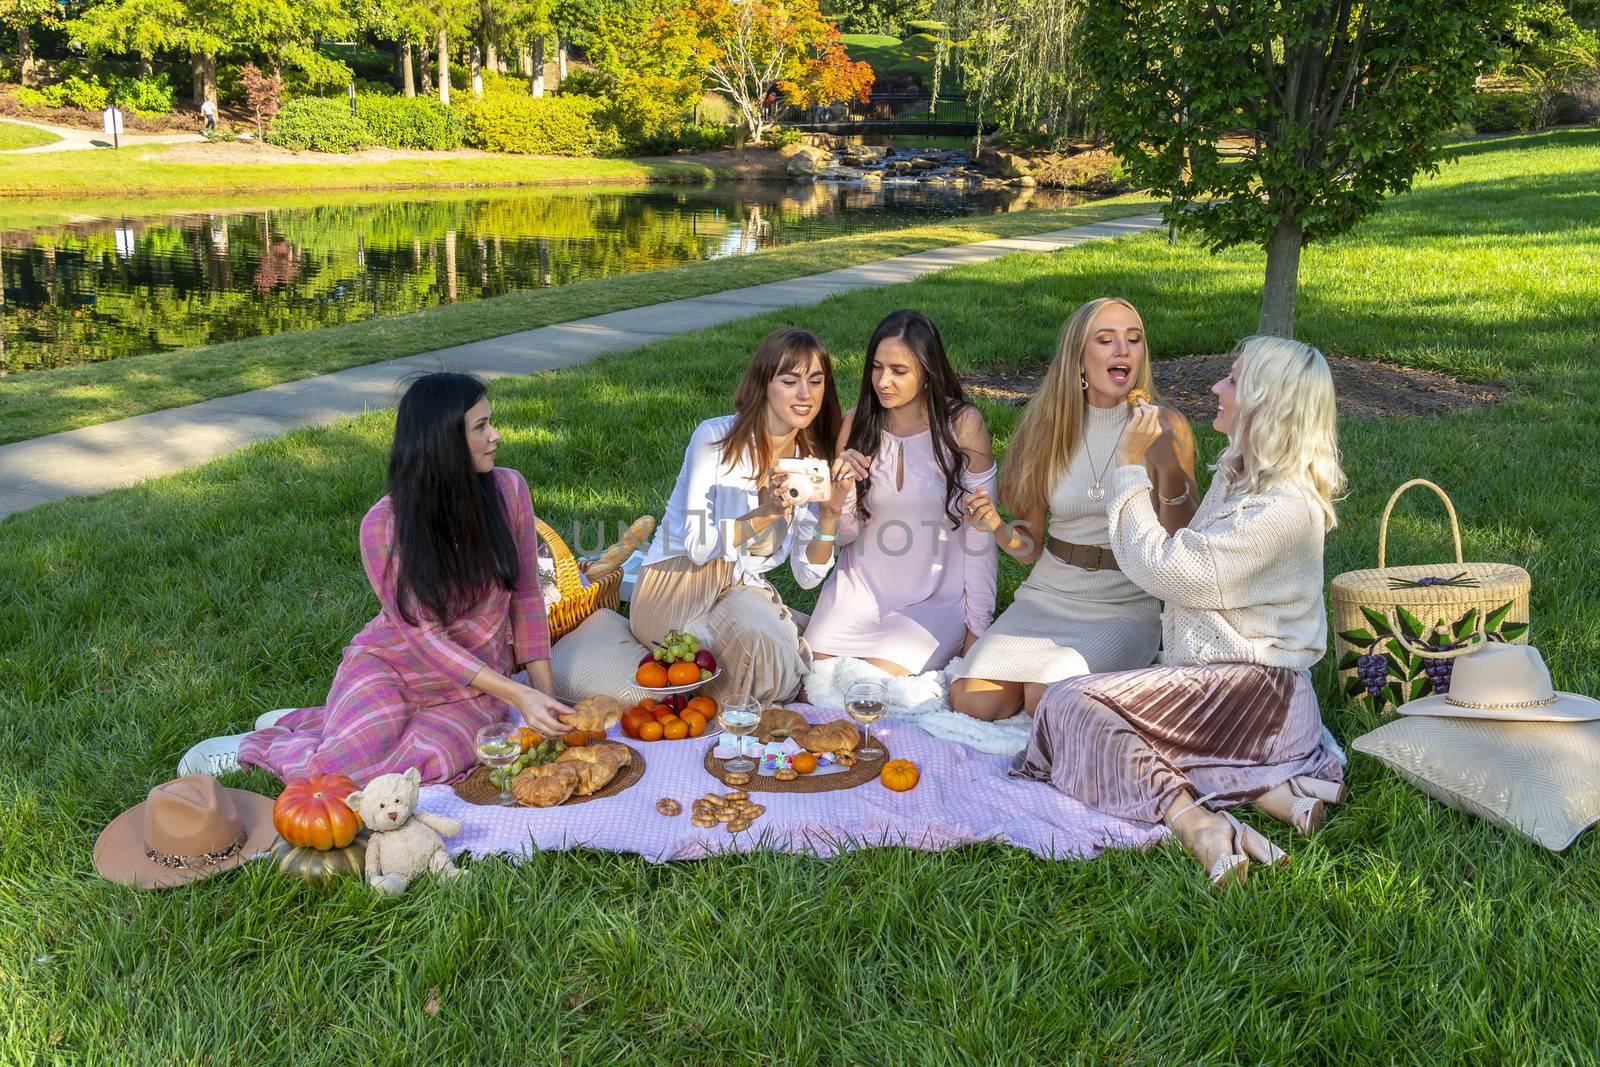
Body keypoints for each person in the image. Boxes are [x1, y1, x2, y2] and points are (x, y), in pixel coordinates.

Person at [1011, 335, 1349, 888]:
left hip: (1256, 700)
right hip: (1221, 691)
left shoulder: (1284, 509)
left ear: (1268, 403)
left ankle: (1193, 820)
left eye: (1234, 380)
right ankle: (1265, 790)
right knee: (1088, 707)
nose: (1217, 387)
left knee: (1066, 703)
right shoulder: (1242, 477)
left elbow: (1168, 571)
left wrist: (1126, 468)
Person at [181, 373, 573, 785]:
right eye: (480, 427)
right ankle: (261, 745)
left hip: (477, 685)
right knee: (339, 773)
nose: (495, 435)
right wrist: (520, 695)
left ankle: (321, 720)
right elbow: (425, 638)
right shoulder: (383, 525)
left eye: (490, 421)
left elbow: (527, 595)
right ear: (443, 441)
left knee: (426, 765)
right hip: (395, 668)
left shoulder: (510, 489)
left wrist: (541, 696)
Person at [952, 297, 1199, 720]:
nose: (1124, 350)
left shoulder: (1164, 424)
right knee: (973, 700)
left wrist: (1169, 467)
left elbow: (1182, 541)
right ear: (1080, 360)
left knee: (1045, 699)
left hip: (1124, 601)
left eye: (1134, 340)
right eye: (1106, 340)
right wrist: (996, 526)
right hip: (1048, 594)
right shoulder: (1044, 427)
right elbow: (1028, 545)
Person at [629, 327, 848, 704]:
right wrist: (766, 514)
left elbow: (807, 575)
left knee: (784, 647)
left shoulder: (809, 465)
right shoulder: (714, 440)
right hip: (676, 584)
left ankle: (709, 675)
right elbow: (698, 546)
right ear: (764, 383)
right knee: (769, 651)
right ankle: (717, 670)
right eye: (790, 380)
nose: (805, 394)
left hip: (736, 590)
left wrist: (829, 516)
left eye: (815, 381)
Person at [803, 309, 997, 676]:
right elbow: (845, 535)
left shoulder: (963, 426)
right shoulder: (855, 423)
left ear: (928, 373)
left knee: (874, 684)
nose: (883, 382)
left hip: (933, 600)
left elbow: (981, 534)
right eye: (877, 367)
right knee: (815, 681)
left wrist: (977, 631)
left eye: (899, 371)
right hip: (857, 593)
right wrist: (839, 495)